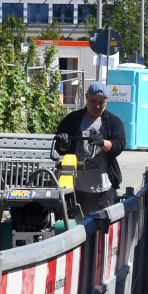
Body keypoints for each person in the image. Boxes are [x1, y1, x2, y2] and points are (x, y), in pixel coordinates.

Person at [51, 82, 126, 216]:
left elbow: (119, 145)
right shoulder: (72, 120)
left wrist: (102, 142)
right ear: (86, 97)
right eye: (93, 101)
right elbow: (60, 150)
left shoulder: (113, 122)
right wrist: (63, 144)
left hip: (104, 189)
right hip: (76, 189)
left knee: (102, 231)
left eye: (101, 102)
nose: (97, 106)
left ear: (107, 101)